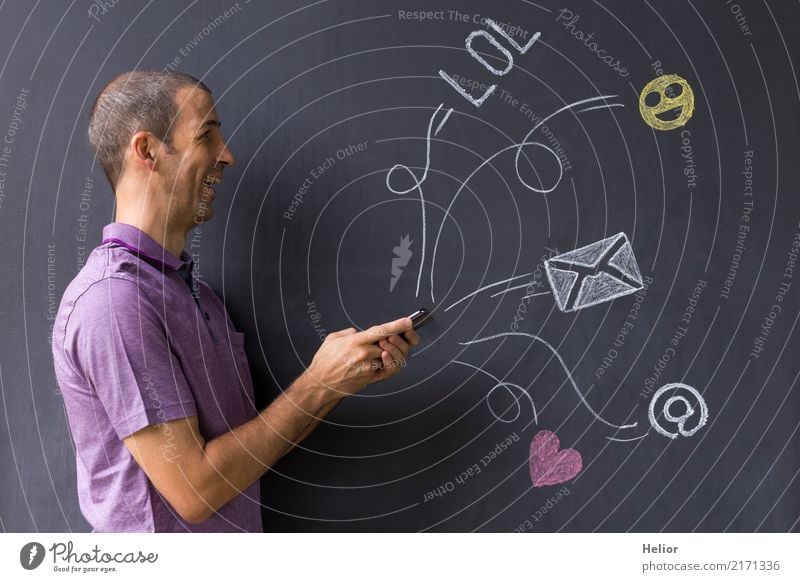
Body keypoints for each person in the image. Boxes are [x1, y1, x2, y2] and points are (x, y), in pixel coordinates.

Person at [51, 70, 420, 532]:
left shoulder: (193, 294)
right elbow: (194, 490)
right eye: (206, 135)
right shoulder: (113, 302)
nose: (227, 154)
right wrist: (319, 384)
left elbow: (244, 457)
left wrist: (341, 381)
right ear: (147, 150)